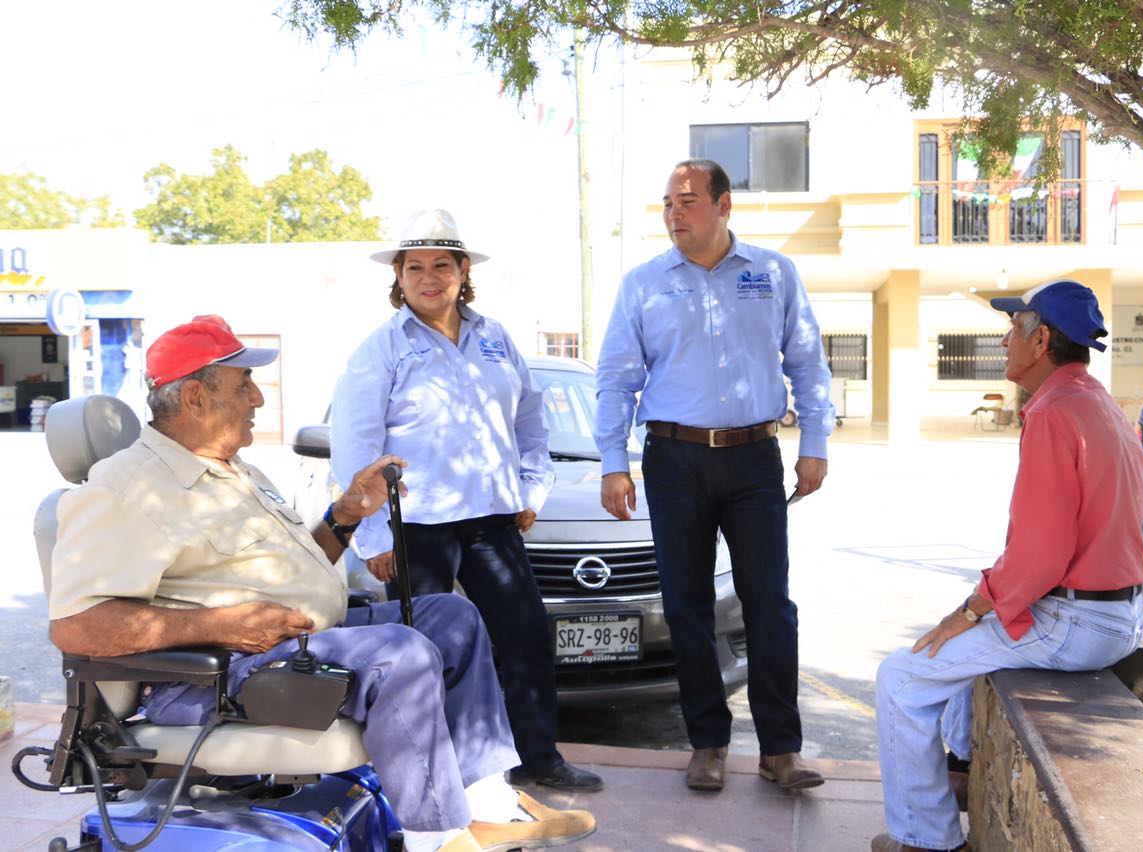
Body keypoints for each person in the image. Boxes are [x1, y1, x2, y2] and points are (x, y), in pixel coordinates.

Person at [47, 315, 596, 852]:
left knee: (450, 617)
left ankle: (487, 808)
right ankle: (439, 839)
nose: (258, 399)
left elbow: (297, 565)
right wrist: (220, 625)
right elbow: (77, 629)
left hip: (290, 645)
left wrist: (347, 514)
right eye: (244, 385)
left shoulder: (233, 470)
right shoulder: (127, 488)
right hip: (213, 679)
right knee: (400, 651)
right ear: (194, 397)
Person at [870, 280, 1143, 852]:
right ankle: (960, 776)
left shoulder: (1053, 413)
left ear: (1040, 338)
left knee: (901, 678)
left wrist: (971, 609)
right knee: (952, 661)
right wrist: (979, 611)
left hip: (1075, 624)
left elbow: (1039, 556)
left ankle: (928, 841)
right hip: (1118, 614)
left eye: (1012, 327)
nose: (1003, 340)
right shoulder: (1103, 405)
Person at [330, 210, 602, 793]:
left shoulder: (496, 338)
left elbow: (531, 418)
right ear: (399, 276)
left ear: (463, 271)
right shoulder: (380, 350)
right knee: (424, 654)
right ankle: (436, 773)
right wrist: (376, 537)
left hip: (491, 523)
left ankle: (538, 757)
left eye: (442, 265)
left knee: (525, 634)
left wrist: (531, 488)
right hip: (416, 526)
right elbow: (355, 448)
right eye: (416, 267)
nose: (430, 278)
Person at [594, 159, 835, 793]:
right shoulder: (643, 284)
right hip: (673, 460)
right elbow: (617, 380)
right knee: (686, 605)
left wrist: (815, 442)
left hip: (755, 458)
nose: (674, 214)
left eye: (689, 201)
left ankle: (781, 749)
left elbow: (808, 363)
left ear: (724, 205)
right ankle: (708, 742)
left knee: (770, 604)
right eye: (668, 203)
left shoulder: (773, 273)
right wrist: (614, 463)